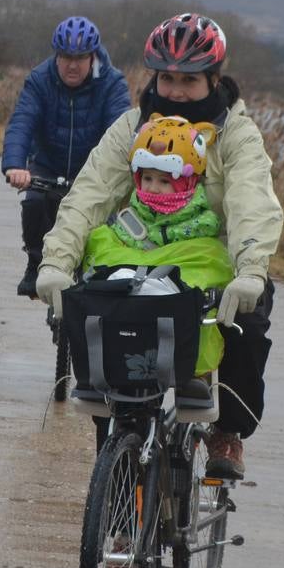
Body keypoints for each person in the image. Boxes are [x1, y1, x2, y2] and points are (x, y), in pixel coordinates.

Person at [37, 12, 283, 479]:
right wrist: (56, 260)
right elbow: (90, 194)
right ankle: (120, 503)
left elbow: (252, 200)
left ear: (214, 78)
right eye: (166, 78)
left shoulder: (235, 135)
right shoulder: (132, 127)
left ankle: (227, 432)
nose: (174, 91)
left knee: (247, 327)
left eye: (188, 81)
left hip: (212, 261)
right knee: (106, 342)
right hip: (139, 259)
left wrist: (250, 269)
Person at [80, 113, 231, 411]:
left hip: (176, 290)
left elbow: (207, 260)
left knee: (196, 294)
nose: (153, 187)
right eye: (147, 178)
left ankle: (195, 374)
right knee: (105, 269)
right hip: (136, 293)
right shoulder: (128, 221)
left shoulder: (201, 224)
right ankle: (98, 365)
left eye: (165, 180)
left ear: (188, 182)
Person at [2, 15, 132, 297]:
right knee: (34, 204)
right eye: (65, 57)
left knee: (106, 221)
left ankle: (100, 274)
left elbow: (121, 131)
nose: (72, 65)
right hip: (49, 164)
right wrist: (15, 165)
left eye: (80, 57)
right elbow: (22, 121)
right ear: (56, 55)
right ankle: (36, 264)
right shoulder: (40, 79)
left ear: (92, 56)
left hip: (95, 169)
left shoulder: (111, 84)